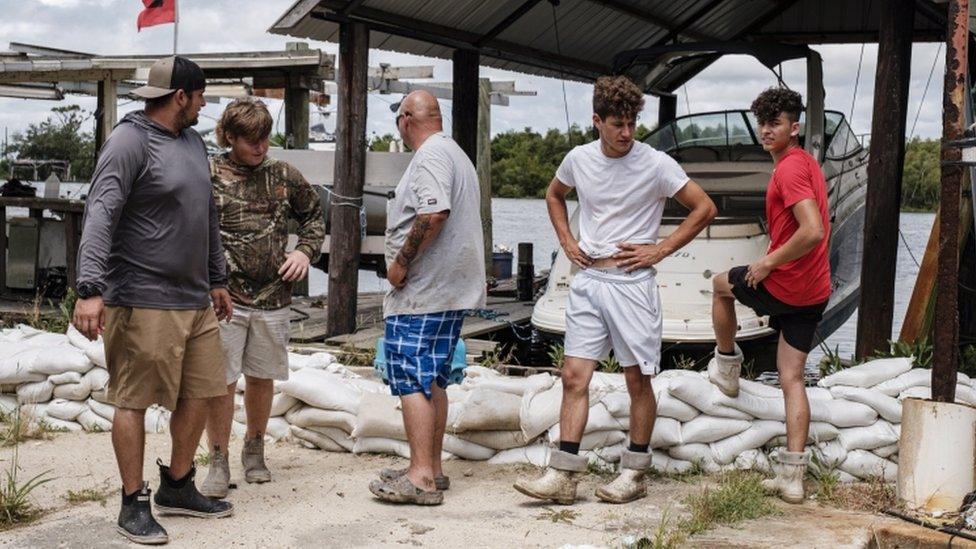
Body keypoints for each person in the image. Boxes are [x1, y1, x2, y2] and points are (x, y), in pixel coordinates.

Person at [514, 76, 716, 504]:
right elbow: (554, 195)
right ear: (597, 121)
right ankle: (564, 476)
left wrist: (659, 250)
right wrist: (567, 242)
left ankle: (634, 473)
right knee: (573, 376)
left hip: (631, 285)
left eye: (632, 123)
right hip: (588, 282)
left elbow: (704, 207)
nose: (627, 133)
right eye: (618, 124)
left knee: (637, 380)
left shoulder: (656, 163)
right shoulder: (578, 158)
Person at [72, 56, 234, 545]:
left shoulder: (191, 141)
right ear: (180, 96)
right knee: (134, 399)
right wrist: (89, 288)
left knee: (206, 390)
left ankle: (178, 485)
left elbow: (203, 213)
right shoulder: (129, 142)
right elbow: (100, 213)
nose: (206, 104)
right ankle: (132, 501)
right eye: (201, 94)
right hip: (142, 297)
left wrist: (217, 277)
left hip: (193, 299)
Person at [706, 87, 831, 504]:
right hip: (815, 290)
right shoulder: (809, 164)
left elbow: (811, 231)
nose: (766, 130)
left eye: (775, 123)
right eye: (762, 123)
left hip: (784, 284)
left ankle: (727, 365)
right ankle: (792, 478)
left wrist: (767, 263)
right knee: (791, 377)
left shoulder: (788, 170)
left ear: (794, 128)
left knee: (719, 285)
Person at [200, 97, 325, 498]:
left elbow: (314, 216)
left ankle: (254, 449)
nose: (260, 147)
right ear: (230, 137)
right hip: (224, 298)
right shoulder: (209, 174)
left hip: (274, 298)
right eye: (251, 140)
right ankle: (217, 458)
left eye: (265, 138)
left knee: (261, 376)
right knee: (221, 381)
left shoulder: (284, 174)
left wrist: (304, 252)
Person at [367, 90, 486, 506]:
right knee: (434, 378)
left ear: (404, 120)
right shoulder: (455, 153)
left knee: (410, 378)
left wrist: (399, 263)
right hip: (448, 290)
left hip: (423, 292)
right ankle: (431, 467)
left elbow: (433, 213)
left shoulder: (430, 157)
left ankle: (419, 478)